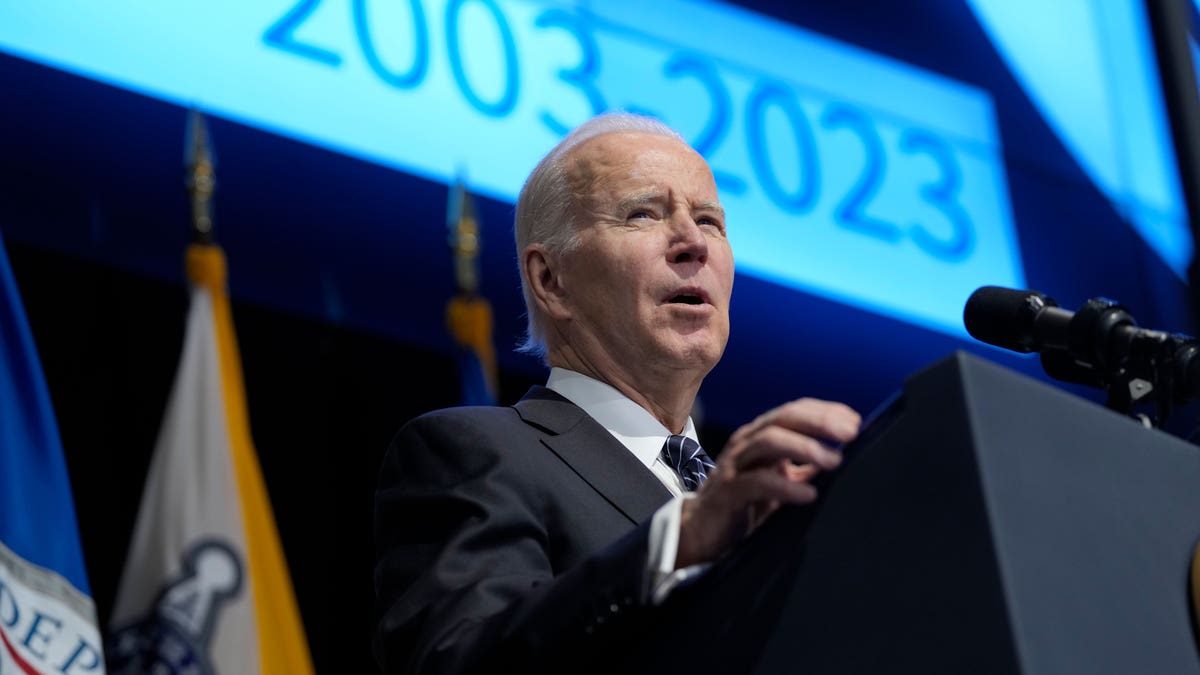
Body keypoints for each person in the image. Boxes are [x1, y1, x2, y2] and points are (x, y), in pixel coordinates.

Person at [372, 113, 861, 673]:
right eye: (643, 214)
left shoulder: (756, 503)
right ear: (551, 280)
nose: (693, 244)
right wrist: (681, 540)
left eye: (709, 220)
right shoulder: (476, 452)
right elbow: (457, 663)